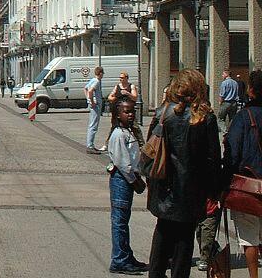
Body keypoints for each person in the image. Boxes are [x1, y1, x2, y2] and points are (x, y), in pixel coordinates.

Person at [146, 69, 221, 278]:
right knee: (184, 241)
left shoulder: (163, 113)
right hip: (191, 191)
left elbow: (151, 150)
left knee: (162, 234)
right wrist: (215, 191)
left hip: (163, 187)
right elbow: (213, 160)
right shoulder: (205, 118)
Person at [223, 69, 262, 278]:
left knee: (249, 239)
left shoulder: (243, 117)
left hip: (249, 187)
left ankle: (254, 276)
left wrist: (223, 183)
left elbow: (233, 153)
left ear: (252, 91)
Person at [107, 95, 148, 274]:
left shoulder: (128, 131)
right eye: (126, 111)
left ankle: (126, 255)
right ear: (117, 114)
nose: (130, 114)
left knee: (124, 221)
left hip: (128, 178)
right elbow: (123, 162)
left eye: (132, 111)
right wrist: (134, 181)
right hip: (121, 180)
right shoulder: (118, 134)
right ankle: (119, 260)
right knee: (119, 222)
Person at [85, 66, 106, 154]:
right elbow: (90, 91)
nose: (103, 75)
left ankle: (91, 145)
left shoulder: (93, 80)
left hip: (93, 105)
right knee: (93, 125)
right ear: (100, 73)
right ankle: (90, 145)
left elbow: (85, 88)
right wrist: (92, 102)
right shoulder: (97, 81)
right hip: (95, 106)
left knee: (92, 124)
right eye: (102, 73)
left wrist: (88, 99)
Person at [218, 68, 240, 132]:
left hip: (226, 102)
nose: (222, 75)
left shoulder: (224, 83)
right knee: (232, 118)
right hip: (234, 103)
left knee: (220, 118)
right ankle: (231, 131)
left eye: (223, 74)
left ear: (226, 74)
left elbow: (222, 94)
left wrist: (220, 102)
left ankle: (225, 131)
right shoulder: (235, 83)